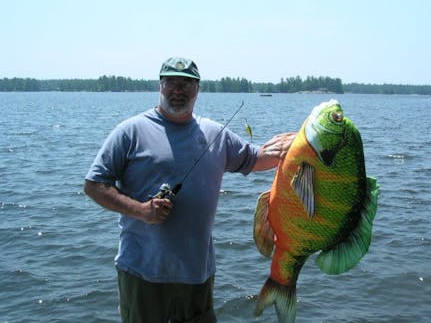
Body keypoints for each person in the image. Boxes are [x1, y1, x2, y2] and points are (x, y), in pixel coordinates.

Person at [84, 57, 295, 323]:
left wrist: (301, 145)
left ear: (198, 89)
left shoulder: (215, 133)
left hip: (197, 275)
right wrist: (141, 211)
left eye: (186, 83)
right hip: (142, 273)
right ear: (160, 86)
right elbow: (94, 185)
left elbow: (257, 159)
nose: (178, 89)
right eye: (171, 82)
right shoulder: (130, 131)